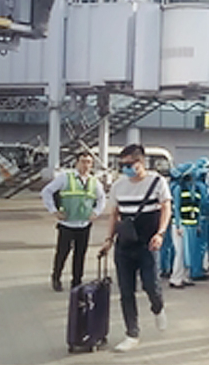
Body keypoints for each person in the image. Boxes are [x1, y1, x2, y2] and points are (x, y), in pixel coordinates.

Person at [98, 144, 172, 352]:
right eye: (122, 165)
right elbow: (114, 214)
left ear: (141, 163)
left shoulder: (157, 181)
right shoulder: (118, 186)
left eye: (129, 164)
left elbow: (166, 208)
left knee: (151, 285)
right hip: (125, 245)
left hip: (149, 244)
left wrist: (161, 233)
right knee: (126, 291)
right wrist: (108, 239)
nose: (126, 169)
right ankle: (132, 333)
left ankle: (158, 308)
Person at [41, 151, 106, 291]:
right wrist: (53, 211)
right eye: (83, 161)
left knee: (80, 254)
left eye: (89, 162)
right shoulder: (65, 177)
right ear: (77, 162)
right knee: (62, 253)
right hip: (67, 224)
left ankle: (76, 281)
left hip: (84, 224)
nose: (86, 165)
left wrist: (96, 212)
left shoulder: (94, 182)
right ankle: (56, 277)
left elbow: (102, 198)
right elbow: (46, 191)